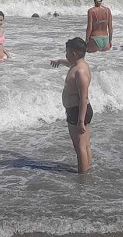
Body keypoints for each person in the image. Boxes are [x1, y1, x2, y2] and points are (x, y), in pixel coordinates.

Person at [50, 37, 93, 173]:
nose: (66, 55)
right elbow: (70, 64)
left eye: (67, 52)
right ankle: (88, 168)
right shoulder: (79, 65)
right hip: (79, 110)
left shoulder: (80, 72)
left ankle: (82, 175)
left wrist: (80, 121)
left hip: (78, 111)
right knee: (85, 145)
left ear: (73, 54)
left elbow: (83, 98)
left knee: (79, 146)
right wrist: (59, 62)